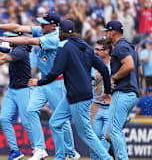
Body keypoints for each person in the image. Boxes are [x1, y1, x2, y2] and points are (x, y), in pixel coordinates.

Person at [0, 11, 79, 160]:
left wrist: (1, 38)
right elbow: (17, 28)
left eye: (44, 23)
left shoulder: (53, 37)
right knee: (30, 111)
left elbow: (29, 41)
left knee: (60, 118)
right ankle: (40, 148)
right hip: (43, 81)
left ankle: (71, 152)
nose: (40, 25)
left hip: (57, 81)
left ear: (53, 26)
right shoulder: (43, 31)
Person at [29, 20, 113, 160]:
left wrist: (40, 82)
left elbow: (56, 70)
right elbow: (104, 69)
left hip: (79, 96)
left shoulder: (63, 46)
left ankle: (107, 158)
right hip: (74, 94)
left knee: (85, 133)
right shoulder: (85, 47)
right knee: (55, 123)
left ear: (61, 32)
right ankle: (61, 157)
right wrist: (108, 91)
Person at [0, 31, 35, 160]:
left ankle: (38, 150)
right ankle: (15, 151)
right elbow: (5, 55)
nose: (7, 39)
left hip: (24, 90)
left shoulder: (20, 50)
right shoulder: (16, 49)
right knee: (4, 118)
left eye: (9, 37)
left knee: (27, 123)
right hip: (12, 89)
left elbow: (4, 59)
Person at [103, 20, 140, 160]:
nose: (105, 34)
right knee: (108, 133)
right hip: (131, 92)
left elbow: (129, 65)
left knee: (113, 130)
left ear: (112, 32)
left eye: (106, 31)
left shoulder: (120, 47)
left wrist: (114, 78)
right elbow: (140, 71)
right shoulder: (130, 47)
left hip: (123, 92)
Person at [90, 39, 112, 160]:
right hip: (95, 105)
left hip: (111, 106)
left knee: (106, 139)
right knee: (94, 140)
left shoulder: (115, 66)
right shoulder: (92, 65)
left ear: (107, 51)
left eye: (99, 49)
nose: (96, 52)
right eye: (95, 49)